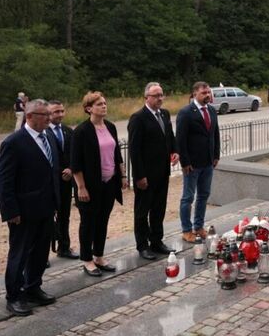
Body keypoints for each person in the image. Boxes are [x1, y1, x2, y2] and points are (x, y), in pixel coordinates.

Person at [0, 99, 59, 317]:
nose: (49, 119)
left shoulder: (48, 136)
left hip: (46, 207)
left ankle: (33, 288)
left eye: (49, 114)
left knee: (41, 253)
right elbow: (3, 181)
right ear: (29, 116)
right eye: (44, 115)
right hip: (23, 212)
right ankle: (14, 296)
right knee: (19, 254)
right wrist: (10, 211)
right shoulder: (14, 142)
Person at [71, 91, 128, 277]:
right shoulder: (81, 131)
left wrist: (122, 176)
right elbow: (76, 163)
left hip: (109, 183)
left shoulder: (110, 126)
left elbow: (117, 153)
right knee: (88, 222)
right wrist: (81, 187)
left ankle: (99, 256)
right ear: (89, 109)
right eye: (99, 104)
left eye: (104, 103)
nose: (104, 106)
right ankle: (87, 259)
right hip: (89, 185)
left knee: (103, 220)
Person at [128, 82, 179, 260]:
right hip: (146, 175)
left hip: (162, 172)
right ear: (146, 98)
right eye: (156, 95)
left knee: (159, 208)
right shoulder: (138, 118)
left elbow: (170, 136)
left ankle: (156, 241)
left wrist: (175, 151)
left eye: (161, 95)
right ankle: (142, 245)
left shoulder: (164, 114)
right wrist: (140, 176)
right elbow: (134, 150)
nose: (159, 98)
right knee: (142, 211)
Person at [176, 81, 220, 243]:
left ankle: (199, 227)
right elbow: (180, 139)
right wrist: (185, 162)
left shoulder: (211, 110)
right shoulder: (186, 112)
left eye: (209, 92)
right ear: (195, 94)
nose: (207, 95)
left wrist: (216, 155)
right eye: (204, 93)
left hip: (208, 162)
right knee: (188, 197)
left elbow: (215, 134)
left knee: (203, 195)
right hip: (192, 164)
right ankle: (186, 230)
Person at [47, 100, 78, 260]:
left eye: (61, 111)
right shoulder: (44, 132)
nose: (59, 115)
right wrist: (60, 171)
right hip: (49, 183)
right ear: (48, 113)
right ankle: (43, 253)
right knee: (47, 218)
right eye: (55, 112)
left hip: (66, 182)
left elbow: (74, 153)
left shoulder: (67, 131)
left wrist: (71, 169)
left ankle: (64, 247)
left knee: (64, 215)